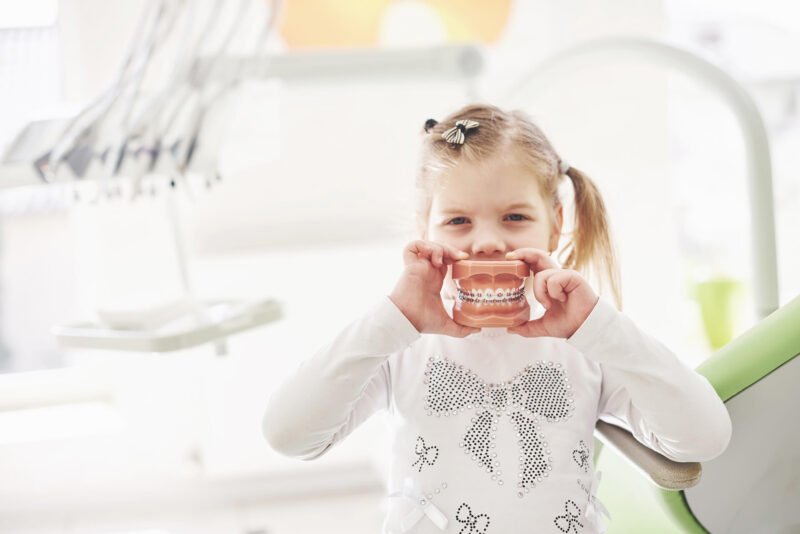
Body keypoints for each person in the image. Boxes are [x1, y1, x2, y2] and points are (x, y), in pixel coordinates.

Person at [262, 103, 732, 533]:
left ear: (555, 223)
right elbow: (288, 435)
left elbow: (703, 438)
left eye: (513, 217)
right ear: (424, 227)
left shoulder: (588, 344)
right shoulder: (400, 344)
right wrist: (392, 320)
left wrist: (603, 331)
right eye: (458, 221)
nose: (487, 242)